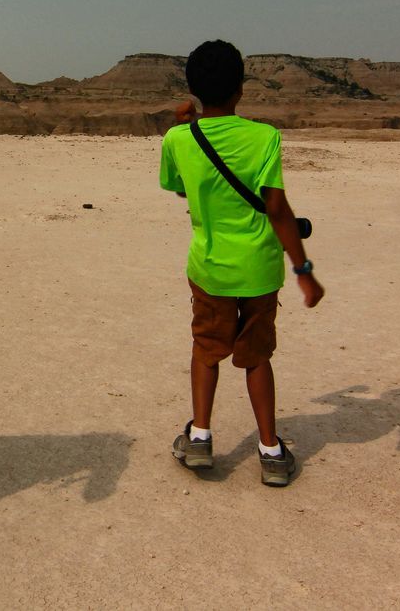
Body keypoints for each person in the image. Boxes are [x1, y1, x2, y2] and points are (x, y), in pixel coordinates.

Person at [159, 40, 324, 487]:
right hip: (259, 270)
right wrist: (304, 272)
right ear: (240, 90)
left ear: (192, 90)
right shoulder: (265, 137)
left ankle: (199, 438)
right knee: (257, 358)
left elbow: (182, 191)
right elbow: (277, 210)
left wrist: (185, 128)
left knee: (205, 351)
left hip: (210, 268)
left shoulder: (178, 137)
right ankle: (271, 451)